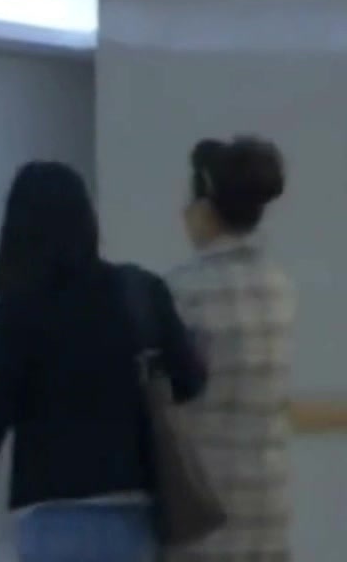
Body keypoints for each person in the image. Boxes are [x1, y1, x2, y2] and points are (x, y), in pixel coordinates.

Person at [0, 161, 207, 562]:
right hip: (131, 511)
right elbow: (190, 381)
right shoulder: (141, 291)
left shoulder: (18, 310)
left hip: (50, 515)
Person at [166, 136, 294, 562]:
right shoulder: (279, 287)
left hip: (204, 512)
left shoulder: (182, 290)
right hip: (268, 507)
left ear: (206, 206)